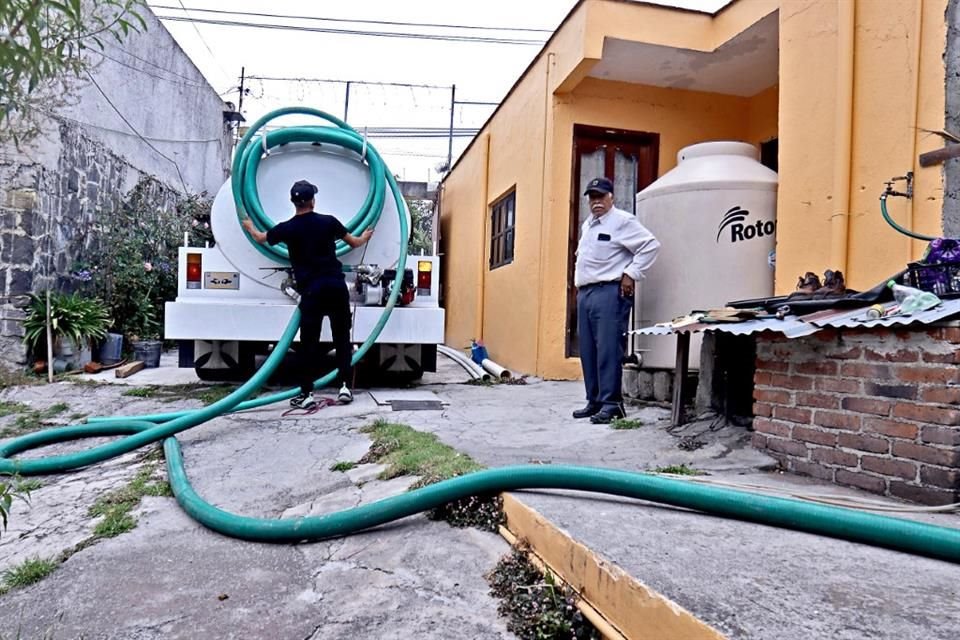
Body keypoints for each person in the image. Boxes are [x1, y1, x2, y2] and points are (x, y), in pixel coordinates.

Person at [243, 180, 372, 409]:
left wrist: (250, 226)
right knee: (341, 339)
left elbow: (260, 238)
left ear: (293, 202)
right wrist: (366, 236)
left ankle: (307, 394)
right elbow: (354, 243)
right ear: (313, 200)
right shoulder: (329, 222)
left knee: (308, 344)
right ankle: (344, 387)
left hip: (312, 291)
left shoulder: (287, 228)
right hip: (335, 287)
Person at [573, 177, 660, 424]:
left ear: (611, 197)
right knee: (588, 350)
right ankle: (595, 400)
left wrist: (631, 274)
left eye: (601, 196)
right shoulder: (589, 225)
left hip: (609, 292)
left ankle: (613, 404)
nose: (596, 201)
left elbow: (650, 245)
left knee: (609, 349)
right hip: (586, 292)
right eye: (592, 197)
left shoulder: (622, 221)